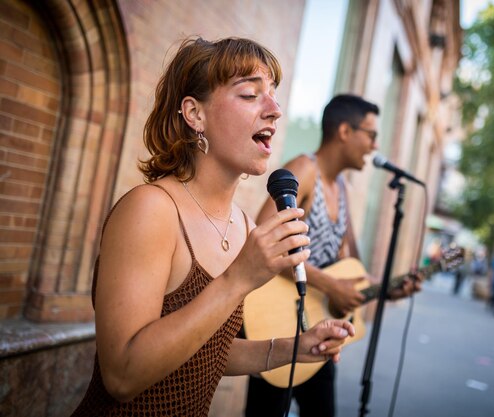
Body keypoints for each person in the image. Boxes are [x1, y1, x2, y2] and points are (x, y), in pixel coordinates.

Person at [71, 37, 355, 416]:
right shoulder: (151, 210)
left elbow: (203, 351)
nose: (274, 110)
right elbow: (122, 375)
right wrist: (238, 278)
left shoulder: (242, 225)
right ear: (195, 113)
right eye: (251, 95)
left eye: (272, 95)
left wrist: (295, 348)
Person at [244, 94, 423, 417]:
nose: (374, 145)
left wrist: (388, 288)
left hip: (317, 329)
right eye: (370, 134)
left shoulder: (341, 188)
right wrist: (330, 286)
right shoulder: (303, 169)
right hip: (277, 325)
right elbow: (264, 239)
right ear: (344, 131)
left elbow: (350, 270)